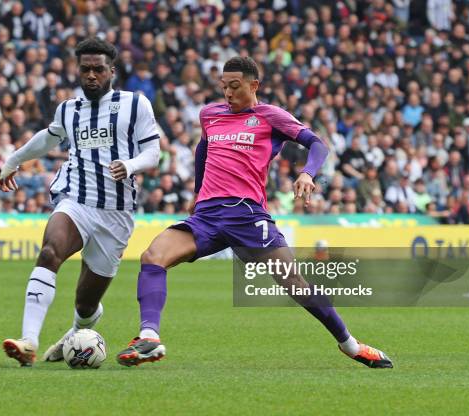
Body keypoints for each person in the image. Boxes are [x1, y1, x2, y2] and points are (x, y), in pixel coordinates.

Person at [116, 57, 393, 369]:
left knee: (295, 284)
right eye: (224, 87)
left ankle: (350, 345)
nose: (228, 93)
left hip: (247, 215)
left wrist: (307, 174)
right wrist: (198, 191)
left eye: (235, 86)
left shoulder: (270, 116)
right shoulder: (210, 115)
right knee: (153, 256)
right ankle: (149, 337)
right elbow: (202, 150)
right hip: (207, 215)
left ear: (254, 85)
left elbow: (317, 144)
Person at [0, 38, 161, 366]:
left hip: (116, 214)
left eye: (98, 69)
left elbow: (153, 152)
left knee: (86, 305)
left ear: (111, 71)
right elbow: (48, 137)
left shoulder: (134, 104)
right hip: (76, 199)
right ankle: (28, 341)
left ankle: (75, 333)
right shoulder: (68, 110)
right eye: (85, 69)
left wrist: (129, 165)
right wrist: (13, 160)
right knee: (49, 252)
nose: (91, 75)